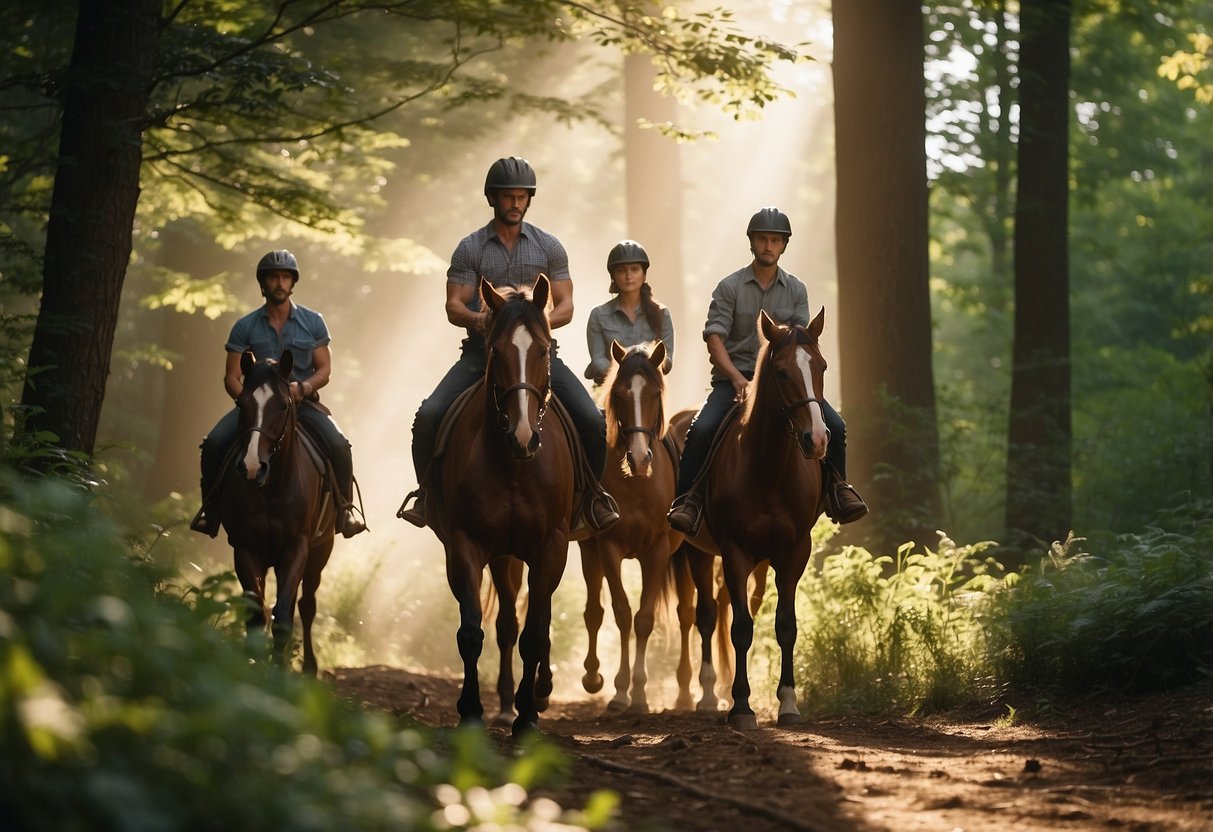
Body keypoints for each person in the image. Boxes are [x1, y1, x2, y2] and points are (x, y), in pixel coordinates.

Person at [399, 156, 620, 533]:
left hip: (536, 353)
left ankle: (590, 498)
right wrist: (479, 320)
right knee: (428, 417)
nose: (515, 203)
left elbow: (566, 304)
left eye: (521, 197)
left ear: (529, 200)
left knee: (592, 421)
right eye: (507, 197)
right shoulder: (470, 248)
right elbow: (454, 304)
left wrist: (532, 329)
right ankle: (427, 497)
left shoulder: (549, 247)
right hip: (481, 353)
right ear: (492, 199)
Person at [666, 207, 868, 535]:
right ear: (752, 243)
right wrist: (736, 378)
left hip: (784, 380)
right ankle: (688, 501)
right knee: (701, 430)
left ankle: (838, 489)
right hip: (735, 379)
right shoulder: (729, 287)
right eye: (762, 239)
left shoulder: (796, 289)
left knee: (835, 424)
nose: (768, 246)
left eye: (775, 240)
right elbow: (714, 337)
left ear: (784, 245)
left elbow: (802, 343)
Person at [190, 249, 367, 539]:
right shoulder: (244, 326)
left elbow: (324, 369)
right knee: (213, 445)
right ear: (263, 283)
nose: (280, 282)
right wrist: (249, 403)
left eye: (285, 277)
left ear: (293, 283)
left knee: (339, 444)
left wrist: (304, 388)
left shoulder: (313, 322)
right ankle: (210, 512)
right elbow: (232, 377)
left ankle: (345, 510)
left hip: (301, 404)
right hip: (257, 409)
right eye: (273, 277)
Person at [584, 239, 675, 385]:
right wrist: (626, 374)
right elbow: (598, 361)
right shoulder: (598, 315)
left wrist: (639, 372)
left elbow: (667, 361)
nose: (628, 276)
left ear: (644, 274)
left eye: (634, 269)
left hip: (649, 390)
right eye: (621, 270)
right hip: (609, 388)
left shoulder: (662, 313)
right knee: (585, 409)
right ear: (613, 276)